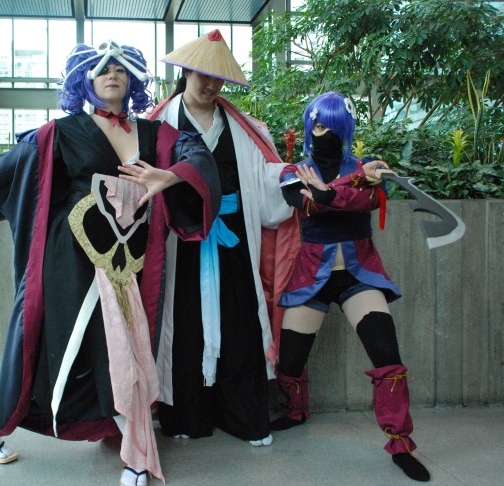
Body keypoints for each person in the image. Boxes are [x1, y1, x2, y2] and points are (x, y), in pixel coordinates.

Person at [0, 40, 220, 486]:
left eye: (120, 69)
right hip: (68, 261)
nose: (112, 74)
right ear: (84, 81)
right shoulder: (62, 132)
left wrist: (168, 176)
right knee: (66, 346)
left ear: (133, 80)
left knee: (128, 350)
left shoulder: (157, 136)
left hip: (127, 263)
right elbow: (4, 168)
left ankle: (126, 443)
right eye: (102, 69)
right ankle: (2, 423)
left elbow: (199, 158)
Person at [149, 29, 301, 446]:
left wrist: (292, 179)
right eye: (203, 75)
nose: (210, 84)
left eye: (218, 78)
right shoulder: (157, 125)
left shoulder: (244, 129)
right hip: (181, 239)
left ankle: (244, 416)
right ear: (185, 72)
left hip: (234, 240)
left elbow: (265, 179)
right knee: (184, 325)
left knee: (240, 324)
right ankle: (186, 416)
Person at [276, 91, 430, 482]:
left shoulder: (369, 167)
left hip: (359, 276)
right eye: (315, 122)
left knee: (387, 355)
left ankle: (401, 444)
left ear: (343, 126)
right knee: (289, 362)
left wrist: (337, 189)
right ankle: (295, 411)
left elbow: (367, 203)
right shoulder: (294, 170)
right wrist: (352, 183)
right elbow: (306, 203)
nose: (319, 129)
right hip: (312, 276)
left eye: (328, 123)